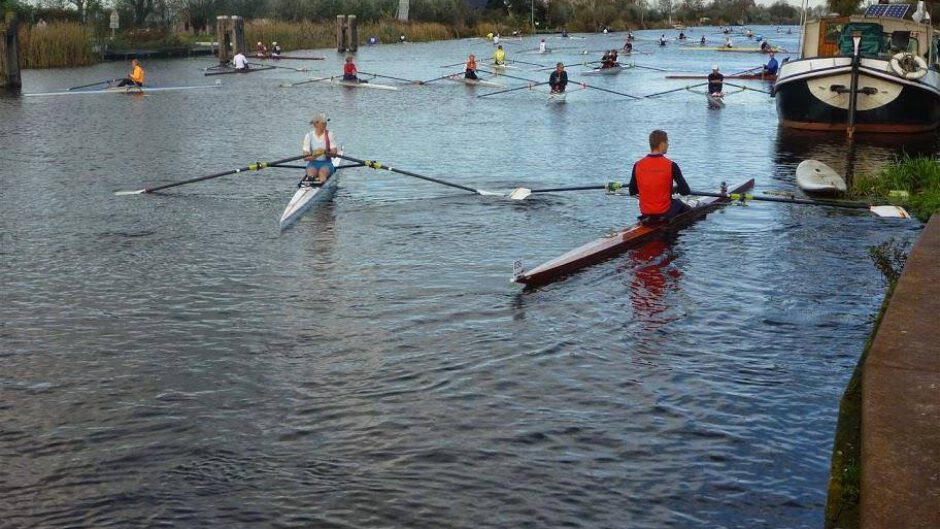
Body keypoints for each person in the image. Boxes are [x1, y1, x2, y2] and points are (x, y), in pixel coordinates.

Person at [629, 130, 691, 221]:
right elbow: (686, 191)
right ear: (662, 144)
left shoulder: (637, 165)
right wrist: (676, 189)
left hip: (645, 212)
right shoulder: (671, 165)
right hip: (665, 212)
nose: (668, 145)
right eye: (667, 142)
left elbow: (632, 191)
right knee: (681, 205)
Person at [301, 113, 339, 185]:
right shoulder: (308, 136)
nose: (325, 124)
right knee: (311, 175)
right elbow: (305, 157)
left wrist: (325, 152)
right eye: (323, 123)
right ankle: (312, 181)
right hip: (312, 164)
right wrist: (316, 155)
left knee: (322, 174)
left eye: (325, 123)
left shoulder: (330, 135)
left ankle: (321, 182)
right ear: (316, 124)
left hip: (326, 164)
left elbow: (334, 153)